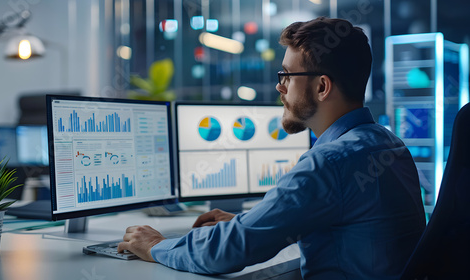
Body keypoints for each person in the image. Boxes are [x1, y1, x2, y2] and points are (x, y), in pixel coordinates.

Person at [118, 17, 426, 279]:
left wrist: (155, 245)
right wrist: (257, 223)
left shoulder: (328, 163)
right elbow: (343, 224)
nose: (280, 86)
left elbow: (226, 253)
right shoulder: (389, 144)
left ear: (322, 87)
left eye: (287, 76)